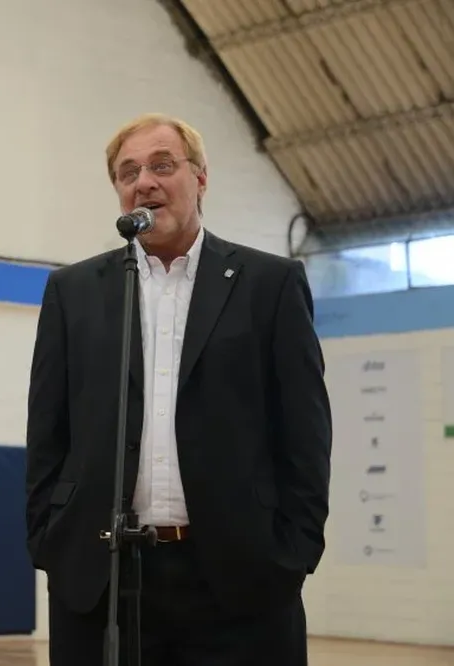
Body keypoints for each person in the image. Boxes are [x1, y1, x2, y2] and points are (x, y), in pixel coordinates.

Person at [25, 113, 332, 665]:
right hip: (101, 576)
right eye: (128, 172)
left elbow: (306, 432)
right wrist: (48, 541)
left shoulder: (270, 284)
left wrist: (295, 551)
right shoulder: (73, 291)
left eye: (162, 165)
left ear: (201, 178)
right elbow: (47, 431)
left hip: (241, 577)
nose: (144, 181)